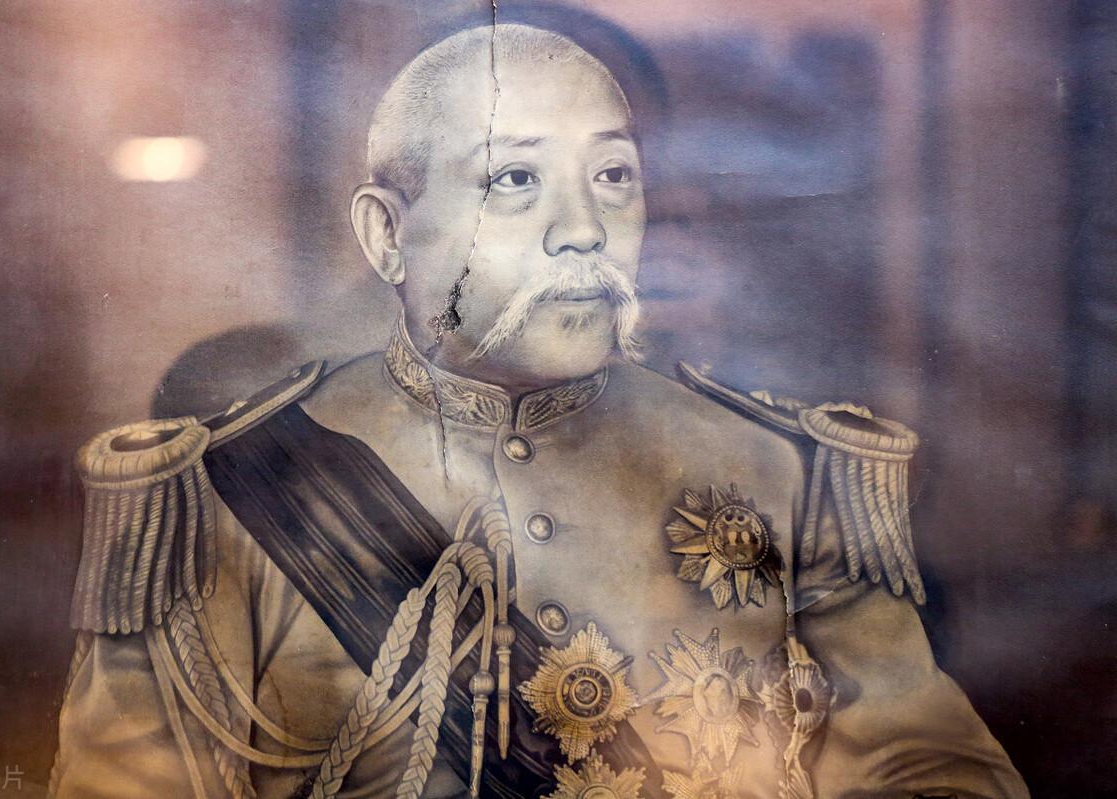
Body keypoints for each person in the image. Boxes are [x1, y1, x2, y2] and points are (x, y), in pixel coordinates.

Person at [50, 24, 1027, 799]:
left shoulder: (785, 471)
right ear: (387, 234)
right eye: (514, 180)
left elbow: (929, 764)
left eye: (613, 177)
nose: (584, 231)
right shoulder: (226, 492)